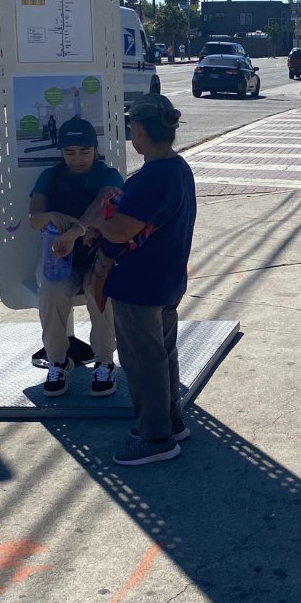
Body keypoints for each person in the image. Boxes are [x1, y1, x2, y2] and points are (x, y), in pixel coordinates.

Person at [89, 93, 196, 466]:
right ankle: (170, 421)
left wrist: (99, 223)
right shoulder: (178, 167)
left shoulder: (154, 176)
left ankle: (156, 438)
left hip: (139, 285)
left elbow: (119, 231)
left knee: (142, 361)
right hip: (165, 280)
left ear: (138, 130)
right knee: (162, 355)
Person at [28, 117, 123, 398]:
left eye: (84, 152)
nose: (77, 159)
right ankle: (58, 361)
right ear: (61, 152)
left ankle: (104, 361)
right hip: (58, 260)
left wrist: (76, 231)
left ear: (95, 149)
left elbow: (102, 203)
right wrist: (51, 217)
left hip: (99, 257)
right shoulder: (50, 175)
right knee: (52, 292)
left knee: (100, 294)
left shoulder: (108, 175)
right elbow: (34, 218)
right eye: (69, 153)